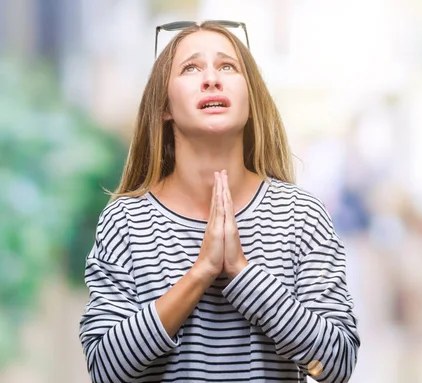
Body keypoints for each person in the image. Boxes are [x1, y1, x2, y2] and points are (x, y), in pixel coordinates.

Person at [78, 20, 360, 383]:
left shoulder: (301, 216)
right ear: (164, 106)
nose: (212, 79)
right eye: (191, 68)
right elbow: (105, 371)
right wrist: (200, 274)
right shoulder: (126, 221)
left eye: (227, 66)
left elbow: (335, 366)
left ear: (251, 98)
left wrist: (243, 273)